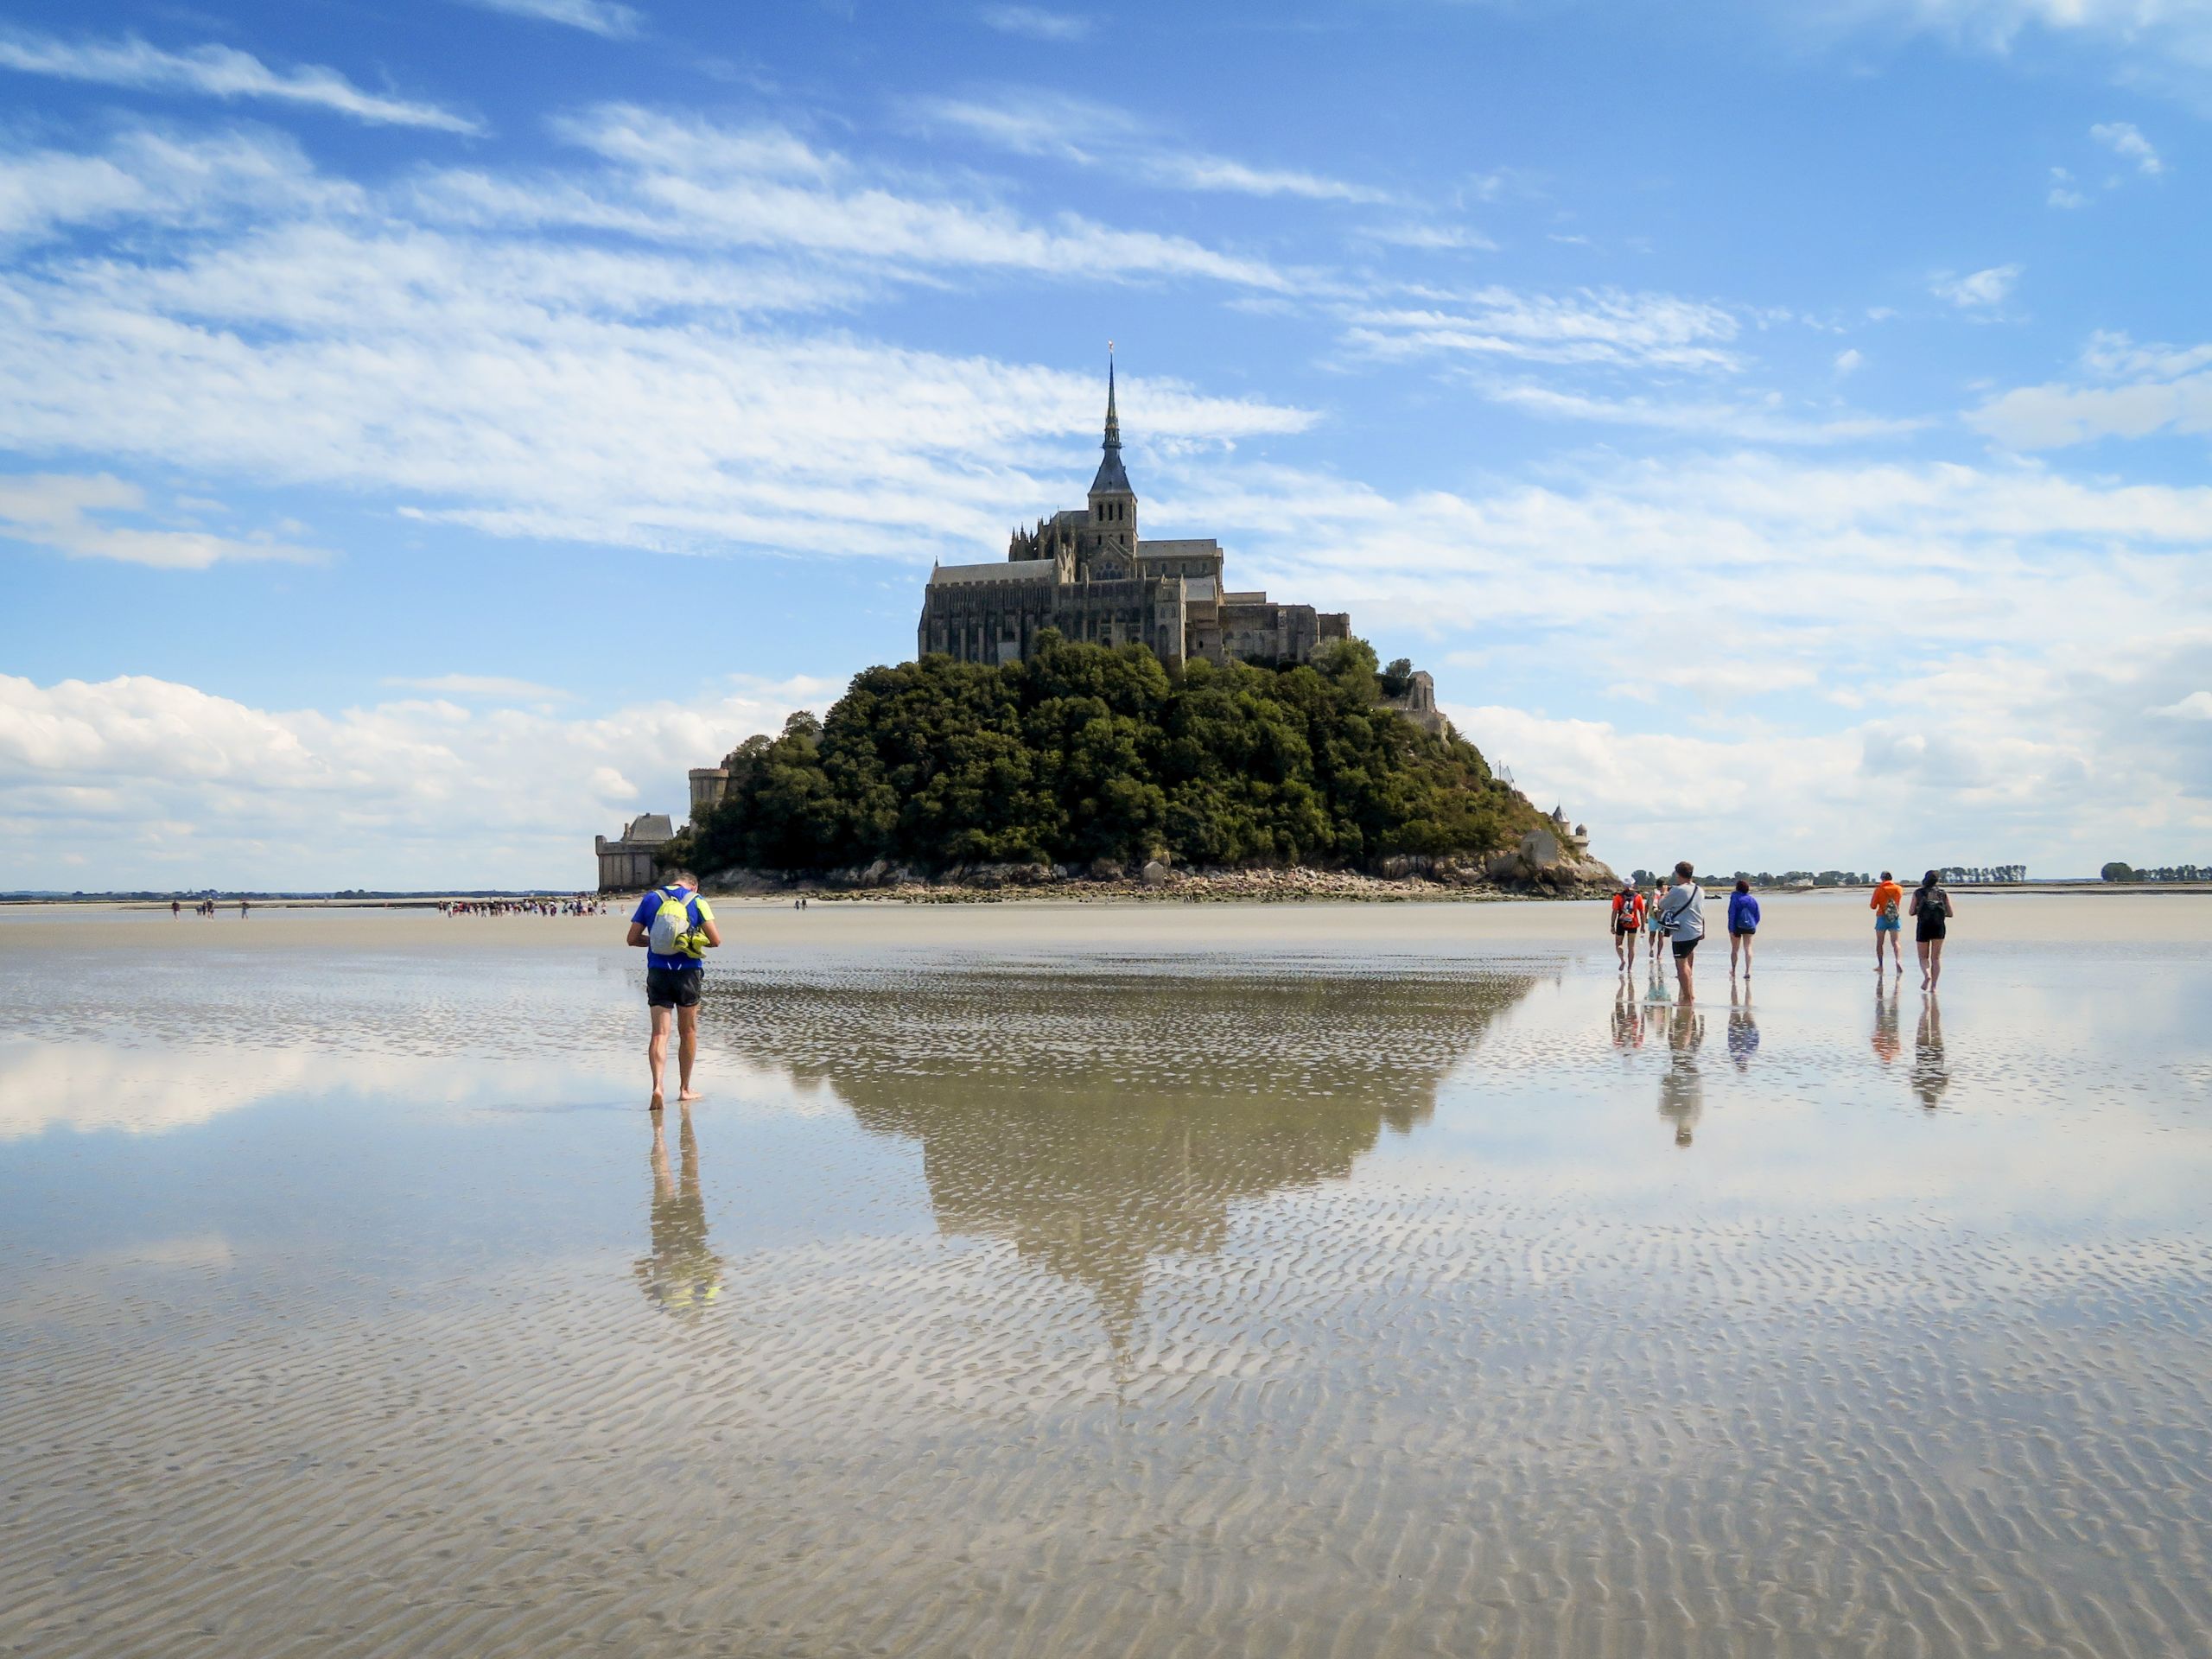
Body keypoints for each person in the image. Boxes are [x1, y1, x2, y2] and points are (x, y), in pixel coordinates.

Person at [626, 868, 722, 1112]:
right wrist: (687, 941)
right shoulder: (697, 901)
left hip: (658, 971)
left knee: (659, 1034)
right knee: (688, 1031)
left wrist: (658, 941)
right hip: (688, 973)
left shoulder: (651, 898)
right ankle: (685, 1089)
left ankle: (658, 1086)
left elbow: (632, 939)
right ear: (694, 886)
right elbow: (715, 940)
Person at [1654, 860, 1706, 1001]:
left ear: (1678, 874)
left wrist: (1664, 893)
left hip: (1683, 932)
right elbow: (1700, 911)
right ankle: (1690, 994)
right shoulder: (1699, 890)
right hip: (1697, 930)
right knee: (1687, 962)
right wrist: (1703, 930)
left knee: (1681, 966)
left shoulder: (1678, 890)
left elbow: (1662, 904)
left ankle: (1687, 999)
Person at [1910, 868, 1953, 990]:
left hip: (1923, 926)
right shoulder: (1943, 893)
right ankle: (1934, 987)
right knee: (1936, 958)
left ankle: (1927, 976)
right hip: (1939, 926)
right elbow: (1950, 913)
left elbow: (1911, 912)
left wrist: (1920, 910)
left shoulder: (1918, 893)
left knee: (1923, 957)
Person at [1869, 870, 1904, 976]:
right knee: (1896, 942)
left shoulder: (1879, 889)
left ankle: (1880, 965)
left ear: (1882, 879)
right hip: (1894, 917)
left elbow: (1873, 906)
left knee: (1880, 942)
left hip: (1882, 917)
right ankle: (1898, 961)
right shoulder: (1898, 888)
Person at [1726, 878, 1759, 978]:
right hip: (1750, 926)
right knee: (1748, 948)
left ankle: (1734, 971)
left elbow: (1731, 914)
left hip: (1737, 927)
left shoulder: (1734, 898)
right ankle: (1748, 971)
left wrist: (1731, 929)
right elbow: (1757, 915)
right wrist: (1753, 924)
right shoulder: (1752, 900)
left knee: (1735, 949)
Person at [1609, 879, 1643, 969]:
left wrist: (1612, 925)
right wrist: (1643, 926)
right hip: (1633, 922)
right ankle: (1630, 968)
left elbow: (1614, 912)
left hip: (1621, 922)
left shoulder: (1618, 896)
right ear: (1632, 885)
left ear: (1623, 885)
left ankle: (1622, 960)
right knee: (1631, 947)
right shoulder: (1638, 896)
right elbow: (1642, 912)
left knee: (1618, 944)